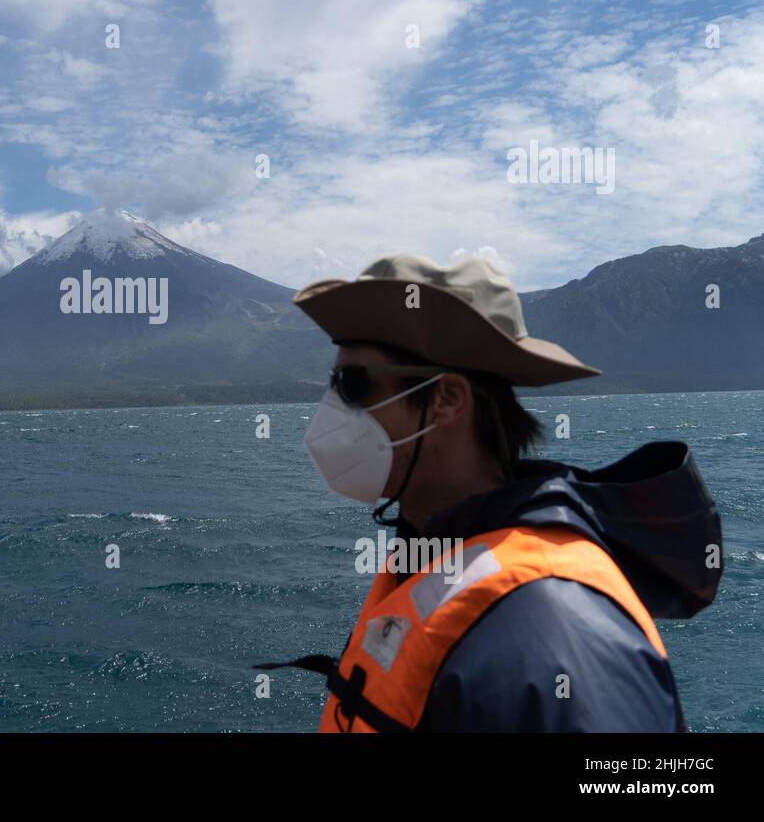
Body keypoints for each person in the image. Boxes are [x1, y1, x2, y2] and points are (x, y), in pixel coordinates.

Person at [258, 253, 722, 732]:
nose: (333, 409)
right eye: (334, 385)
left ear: (448, 399)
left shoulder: (551, 625)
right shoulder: (433, 549)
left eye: (353, 385)